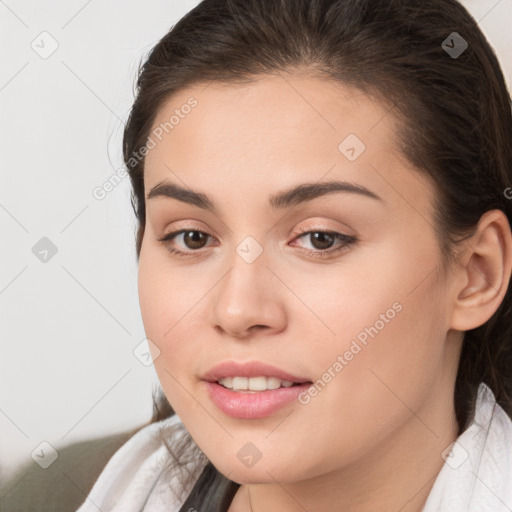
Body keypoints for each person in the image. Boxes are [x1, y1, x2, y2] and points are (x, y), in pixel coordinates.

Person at [73, 0, 512, 510]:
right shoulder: (61, 488)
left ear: (477, 273)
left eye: (320, 238)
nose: (237, 310)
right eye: (192, 237)